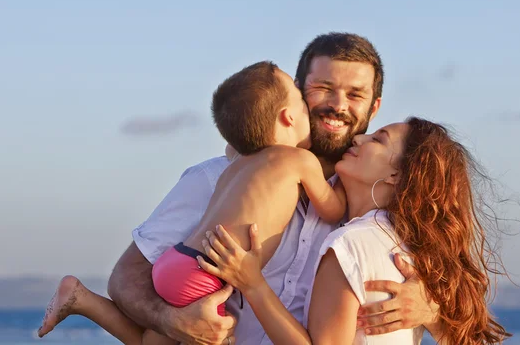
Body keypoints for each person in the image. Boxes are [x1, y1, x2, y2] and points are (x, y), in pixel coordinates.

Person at [46, 33, 441, 345]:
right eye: (324, 88)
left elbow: (467, 322)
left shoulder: (376, 212)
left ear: (373, 108)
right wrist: (172, 319)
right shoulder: (213, 177)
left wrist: (431, 309)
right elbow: (125, 279)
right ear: (298, 94)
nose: (338, 105)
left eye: (355, 95)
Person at [38, 61, 349, 345]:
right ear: (289, 117)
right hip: (207, 276)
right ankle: (83, 301)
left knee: (156, 340)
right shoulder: (300, 160)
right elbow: (333, 209)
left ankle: (83, 300)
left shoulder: (237, 161)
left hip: (180, 261)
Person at [199, 118, 512, 344]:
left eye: (377, 140)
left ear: (396, 173)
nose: (359, 139)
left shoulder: (351, 242)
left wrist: (252, 284)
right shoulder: (405, 249)